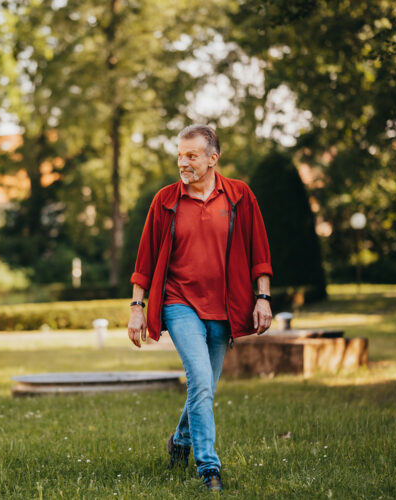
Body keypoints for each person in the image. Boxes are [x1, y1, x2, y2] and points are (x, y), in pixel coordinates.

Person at [127, 124, 273, 492]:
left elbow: (259, 250)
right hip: (179, 303)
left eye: (191, 155)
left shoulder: (239, 196)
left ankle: (180, 439)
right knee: (200, 381)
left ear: (212, 158)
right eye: (180, 154)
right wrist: (136, 307)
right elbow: (144, 258)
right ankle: (209, 468)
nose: (183, 162)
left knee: (206, 386)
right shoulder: (165, 200)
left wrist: (263, 296)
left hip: (224, 307)